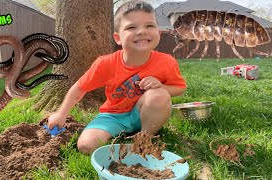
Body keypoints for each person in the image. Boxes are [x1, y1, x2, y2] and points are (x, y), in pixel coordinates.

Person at [47, 0, 187, 154]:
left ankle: (145, 138)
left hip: (144, 115)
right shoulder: (106, 63)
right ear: (118, 38)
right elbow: (80, 88)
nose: (142, 31)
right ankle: (120, 132)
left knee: (158, 95)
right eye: (131, 27)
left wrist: (161, 86)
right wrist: (61, 114)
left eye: (150, 26)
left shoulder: (166, 62)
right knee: (86, 146)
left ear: (158, 33)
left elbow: (180, 88)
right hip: (113, 116)